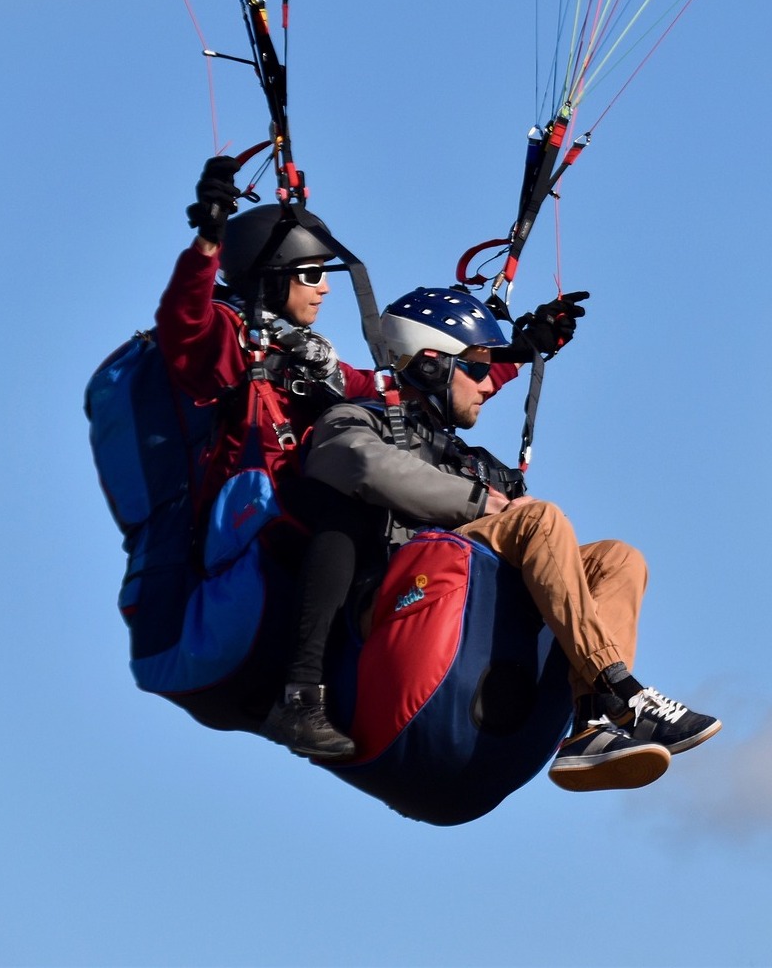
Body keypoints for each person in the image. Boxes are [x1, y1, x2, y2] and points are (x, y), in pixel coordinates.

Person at [155, 157, 580, 763]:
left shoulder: (318, 362)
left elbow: (409, 391)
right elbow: (184, 329)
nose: (325, 286)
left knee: (377, 484)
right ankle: (301, 697)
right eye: (310, 275)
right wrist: (207, 244)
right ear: (272, 279)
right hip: (250, 515)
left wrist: (517, 353)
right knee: (348, 502)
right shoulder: (229, 343)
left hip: (298, 510)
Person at [303, 286, 721, 792]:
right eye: (478, 368)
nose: (486, 384)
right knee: (540, 519)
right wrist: (488, 503)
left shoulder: (465, 456)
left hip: (458, 594)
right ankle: (621, 690)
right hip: (394, 598)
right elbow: (362, 465)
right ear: (433, 367)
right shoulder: (356, 420)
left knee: (617, 559)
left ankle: (590, 724)